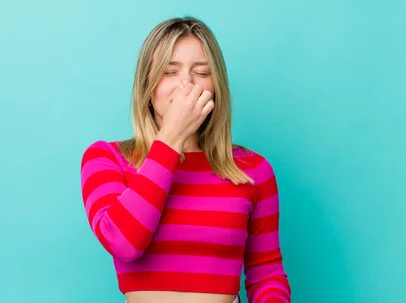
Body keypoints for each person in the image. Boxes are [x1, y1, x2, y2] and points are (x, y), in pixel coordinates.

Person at [80, 17, 291, 303]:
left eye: (201, 72)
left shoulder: (254, 170)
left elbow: (266, 272)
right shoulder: (107, 158)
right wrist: (171, 138)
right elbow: (123, 242)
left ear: (216, 86)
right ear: (148, 86)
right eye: (169, 71)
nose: (186, 84)